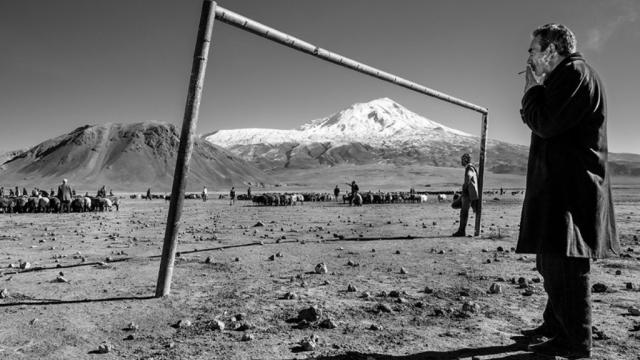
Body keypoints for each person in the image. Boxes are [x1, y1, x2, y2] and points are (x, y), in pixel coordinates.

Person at [516, 24, 619, 359]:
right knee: (551, 259)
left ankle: (576, 340)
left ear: (551, 50)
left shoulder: (574, 73)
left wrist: (532, 91)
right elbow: (548, 122)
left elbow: (544, 123)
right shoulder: (567, 76)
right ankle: (555, 325)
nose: (529, 57)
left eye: (533, 49)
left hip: (571, 190)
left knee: (566, 264)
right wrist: (538, 92)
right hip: (564, 187)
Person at [451, 153, 478, 237]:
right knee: (455, 205)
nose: (461, 161)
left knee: (464, 212)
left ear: (465, 160)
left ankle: (461, 231)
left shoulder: (469, 168)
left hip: (468, 194)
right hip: (466, 194)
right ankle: (461, 230)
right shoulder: (470, 167)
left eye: (462, 160)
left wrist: (465, 185)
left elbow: (468, 176)